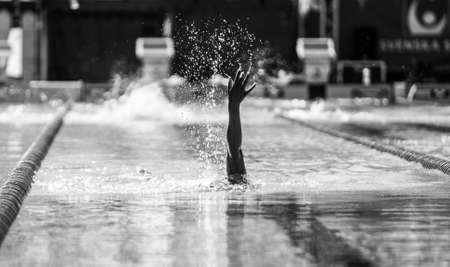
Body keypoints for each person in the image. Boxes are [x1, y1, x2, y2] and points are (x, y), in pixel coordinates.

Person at [226, 64, 256, 184]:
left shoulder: (237, 178)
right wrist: (233, 106)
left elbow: (234, 151)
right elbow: (234, 151)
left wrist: (233, 106)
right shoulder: (239, 179)